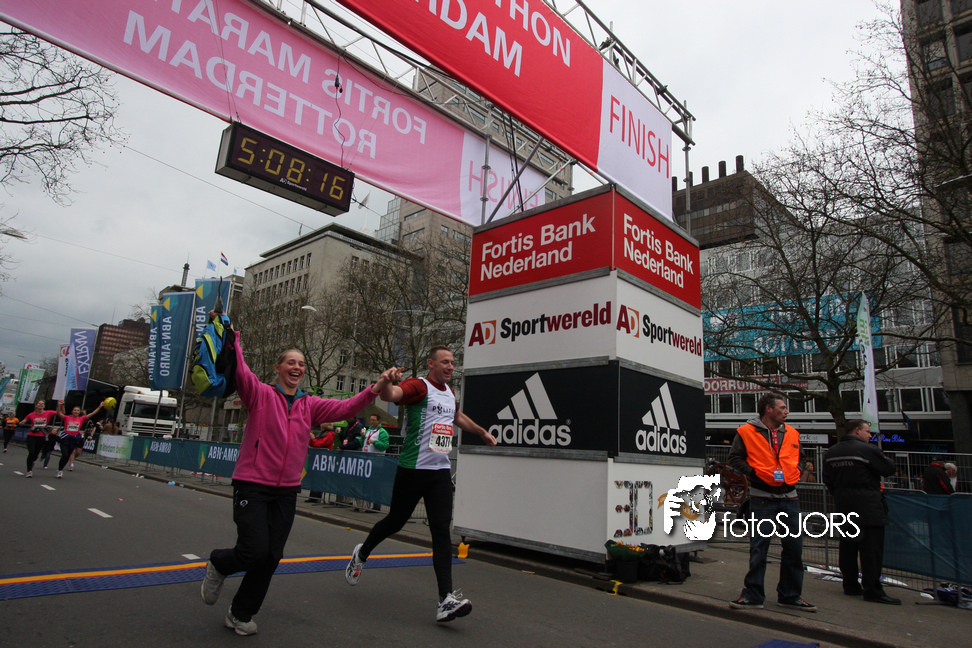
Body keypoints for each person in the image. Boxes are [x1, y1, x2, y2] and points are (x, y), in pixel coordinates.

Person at [199, 318, 401, 637]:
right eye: (291, 362)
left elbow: (346, 407)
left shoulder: (310, 405)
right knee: (253, 551)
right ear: (278, 368)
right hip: (252, 485)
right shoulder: (260, 394)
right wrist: (233, 337)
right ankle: (219, 564)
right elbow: (242, 372)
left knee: (271, 556)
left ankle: (240, 614)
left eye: (301, 364)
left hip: (286, 490)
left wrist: (376, 387)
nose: (297, 367)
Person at [344, 345, 497, 624]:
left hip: (439, 472)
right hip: (413, 469)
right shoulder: (419, 386)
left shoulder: (449, 392)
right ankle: (362, 553)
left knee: (441, 531)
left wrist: (481, 432)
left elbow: (457, 417)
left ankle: (445, 599)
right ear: (431, 364)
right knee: (395, 521)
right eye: (445, 362)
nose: (450, 367)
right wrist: (387, 382)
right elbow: (392, 395)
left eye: (452, 362)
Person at [727, 392, 815, 612]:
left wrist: (796, 472)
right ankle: (753, 595)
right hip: (762, 498)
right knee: (759, 548)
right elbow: (734, 458)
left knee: (794, 549)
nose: (786, 411)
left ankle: (790, 595)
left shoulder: (792, 433)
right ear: (768, 409)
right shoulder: (746, 432)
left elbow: (802, 457)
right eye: (782, 407)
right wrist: (754, 474)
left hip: (790, 498)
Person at [822, 419, 899, 604]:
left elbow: (827, 479)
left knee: (848, 548)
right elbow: (888, 468)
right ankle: (872, 590)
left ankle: (850, 585)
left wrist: (840, 494)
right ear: (857, 431)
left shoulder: (831, 452)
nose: (870, 435)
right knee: (871, 550)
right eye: (867, 431)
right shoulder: (867, 450)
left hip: (844, 506)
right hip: (869, 507)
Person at [54, 400, 104, 478]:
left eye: (77, 410)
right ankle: (60, 470)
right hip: (65, 438)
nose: (76, 412)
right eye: (75, 410)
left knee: (67, 456)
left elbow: (92, 413)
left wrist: (99, 407)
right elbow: (58, 413)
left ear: (79, 412)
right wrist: (59, 405)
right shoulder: (67, 417)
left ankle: (60, 469)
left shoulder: (81, 419)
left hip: (73, 440)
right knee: (65, 455)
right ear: (72, 411)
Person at [357, 414, 390, 511]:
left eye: (374, 420)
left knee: (376, 484)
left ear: (379, 421)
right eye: (371, 420)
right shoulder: (368, 430)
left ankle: (376, 505)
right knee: (366, 483)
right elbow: (362, 443)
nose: (372, 422)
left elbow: (384, 445)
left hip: (376, 462)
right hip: (366, 461)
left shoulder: (382, 432)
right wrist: (362, 437)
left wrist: (374, 442)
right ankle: (366, 504)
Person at [20, 400, 58, 477]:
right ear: (36, 405)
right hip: (32, 436)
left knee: (36, 453)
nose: (40, 405)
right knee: (31, 452)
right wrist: (22, 422)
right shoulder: (31, 414)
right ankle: (29, 470)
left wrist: (60, 405)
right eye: (39, 403)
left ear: (44, 406)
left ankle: (32, 461)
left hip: (41, 437)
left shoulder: (48, 413)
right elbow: (24, 420)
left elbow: (59, 413)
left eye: (42, 404)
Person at [305, 423, 336, 504]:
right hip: (317, 459)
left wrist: (313, 438)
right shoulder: (322, 433)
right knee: (314, 478)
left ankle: (317, 497)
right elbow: (314, 443)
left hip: (324, 459)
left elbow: (320, 444)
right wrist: (311, 439)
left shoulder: (330, 434)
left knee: (319, 478)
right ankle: (312, 496)